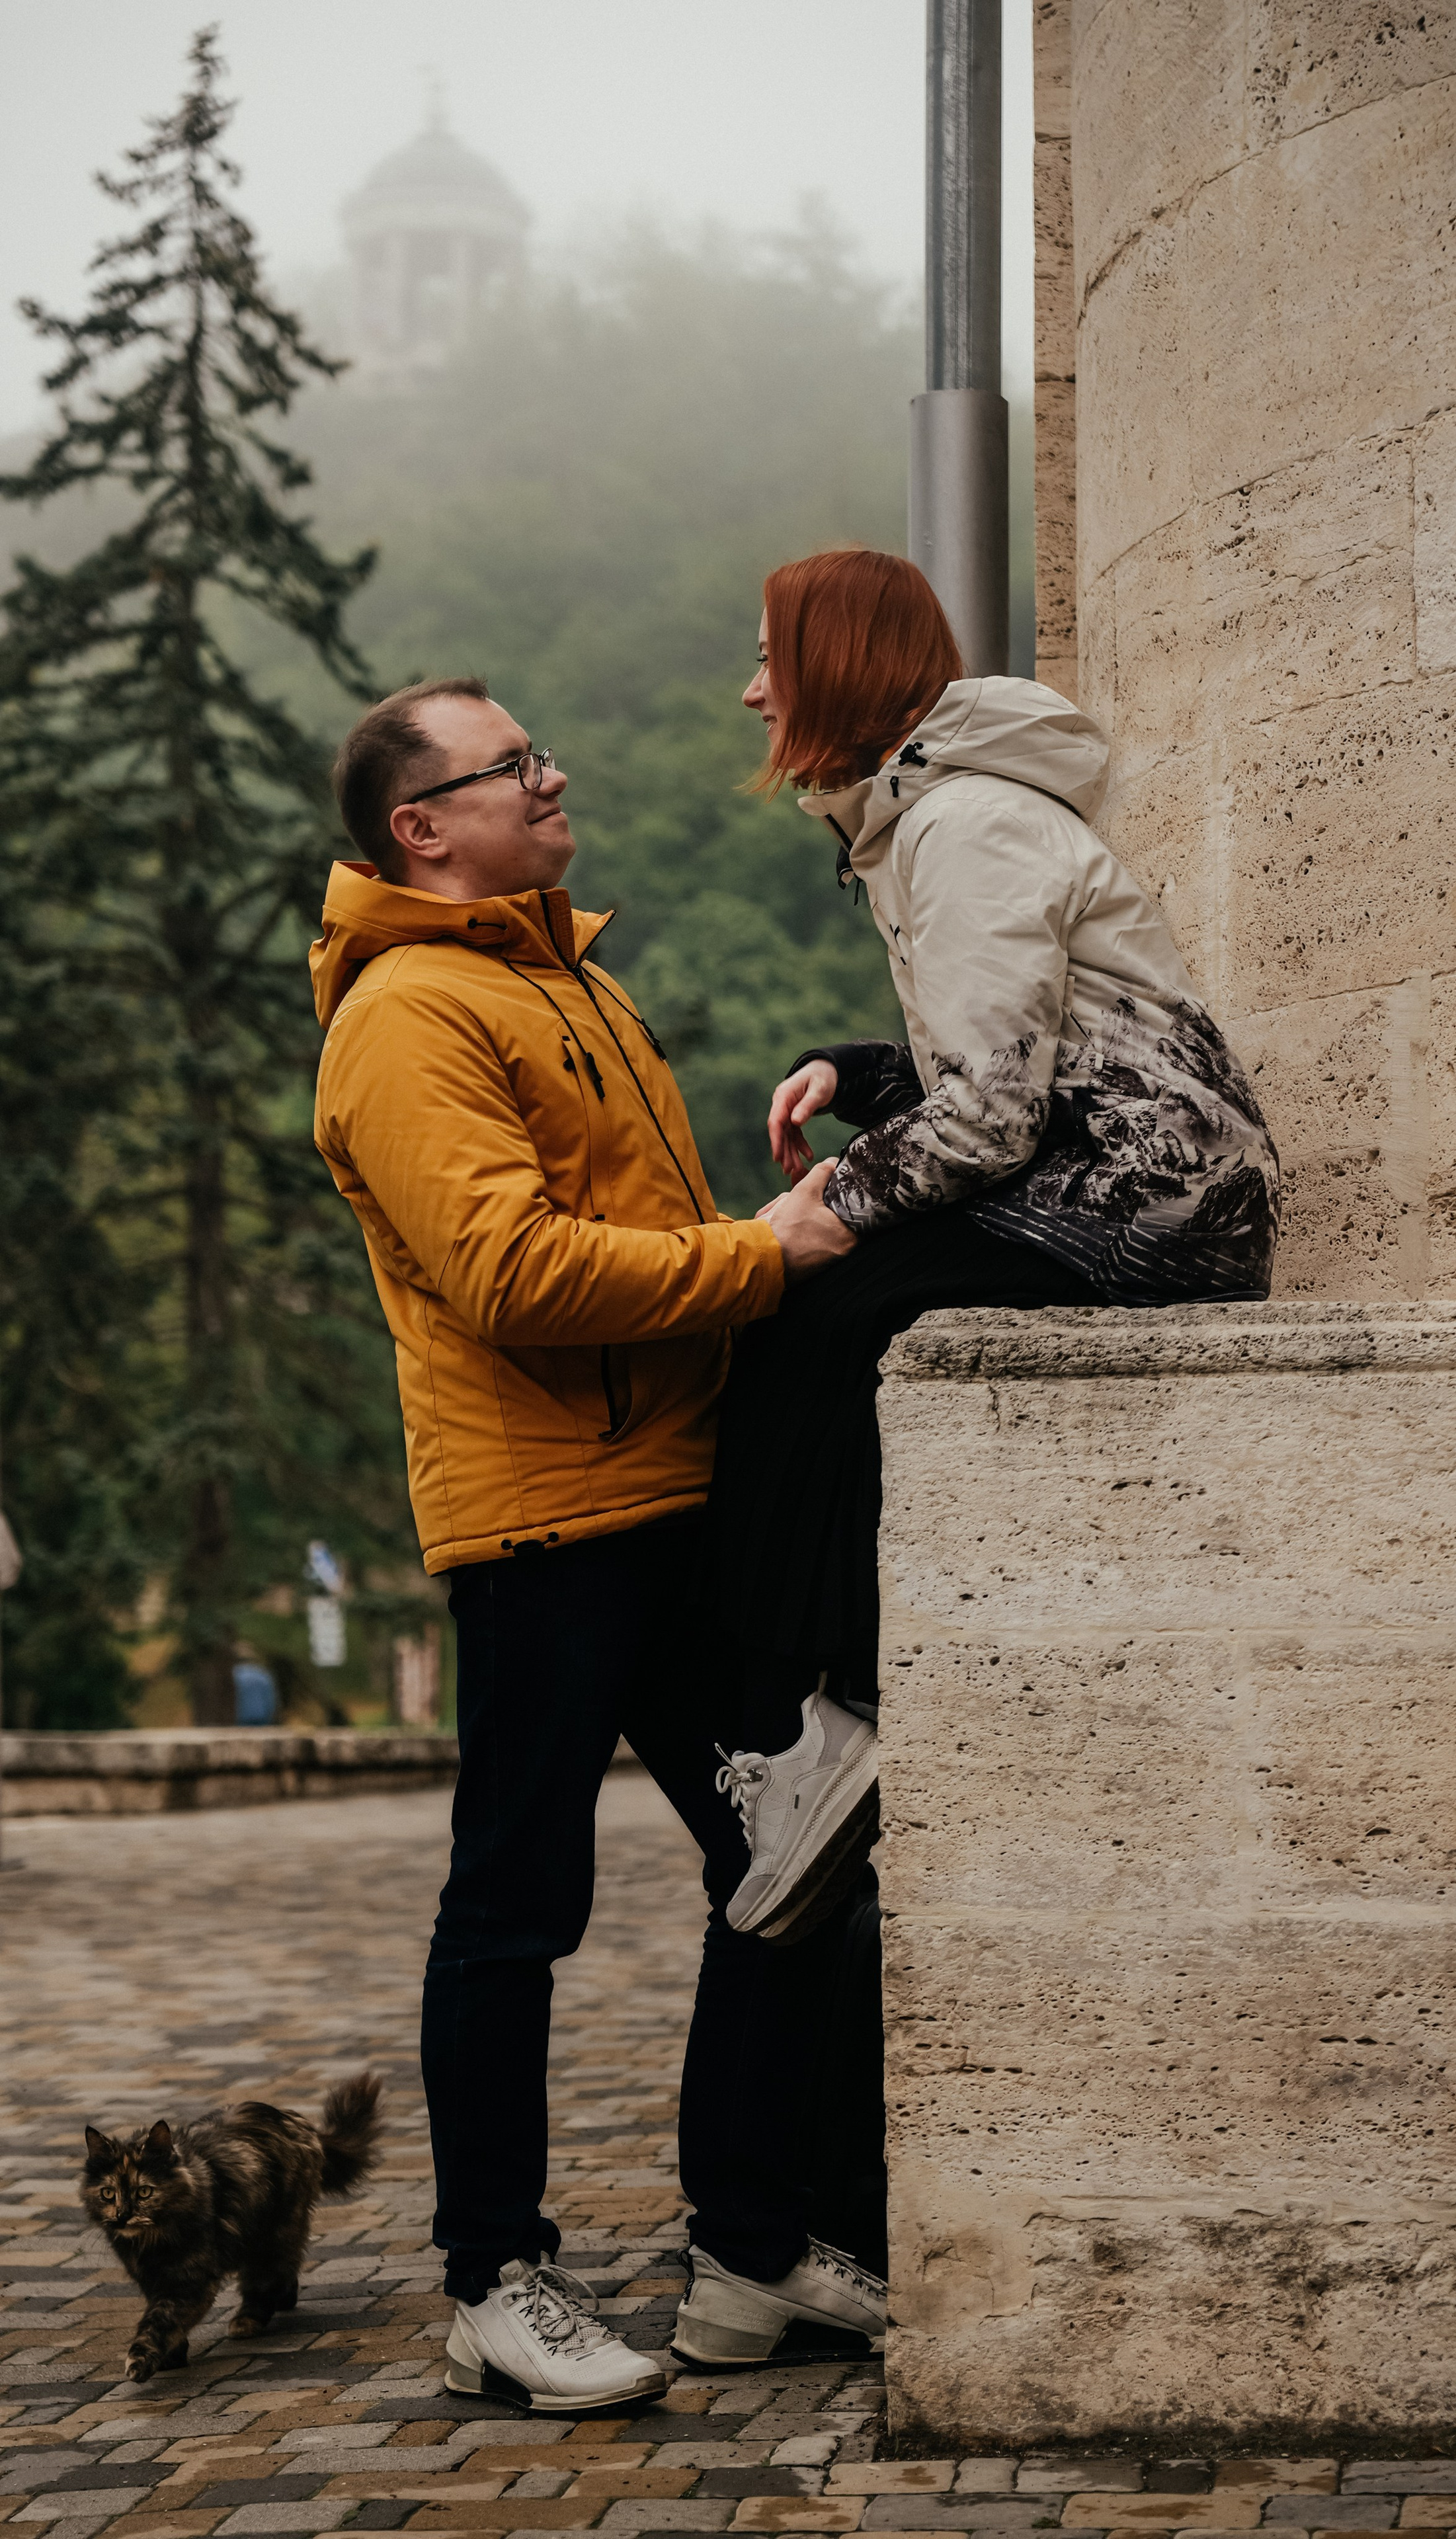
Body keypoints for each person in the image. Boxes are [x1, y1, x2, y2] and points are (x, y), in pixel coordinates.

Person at [310, 676, 886, 2409]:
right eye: (513, 766)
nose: (552, 777)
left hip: (674, 1496)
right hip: (542, 1522)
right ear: (422, 828)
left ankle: (756, 2247)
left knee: (794, 1857)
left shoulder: (564, 975)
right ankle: (492, 2282)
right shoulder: (405, 1016)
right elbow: (511, 1273)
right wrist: (763, 1255)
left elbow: (624, 1233)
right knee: (517, 1907)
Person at [703, 549, 1281, 1943]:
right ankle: (828, 1717)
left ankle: (824, 1722)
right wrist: (861, 1071)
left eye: (771, 659)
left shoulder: (960, 824)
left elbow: (991, 1118)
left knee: (805, 1318)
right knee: (820, 1320)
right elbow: (1038, 1052)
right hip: (1125, 1169)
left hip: (1145, 1196)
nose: (753, 693)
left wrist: (821, 1209)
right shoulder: (932, 817)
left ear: (835, 664)